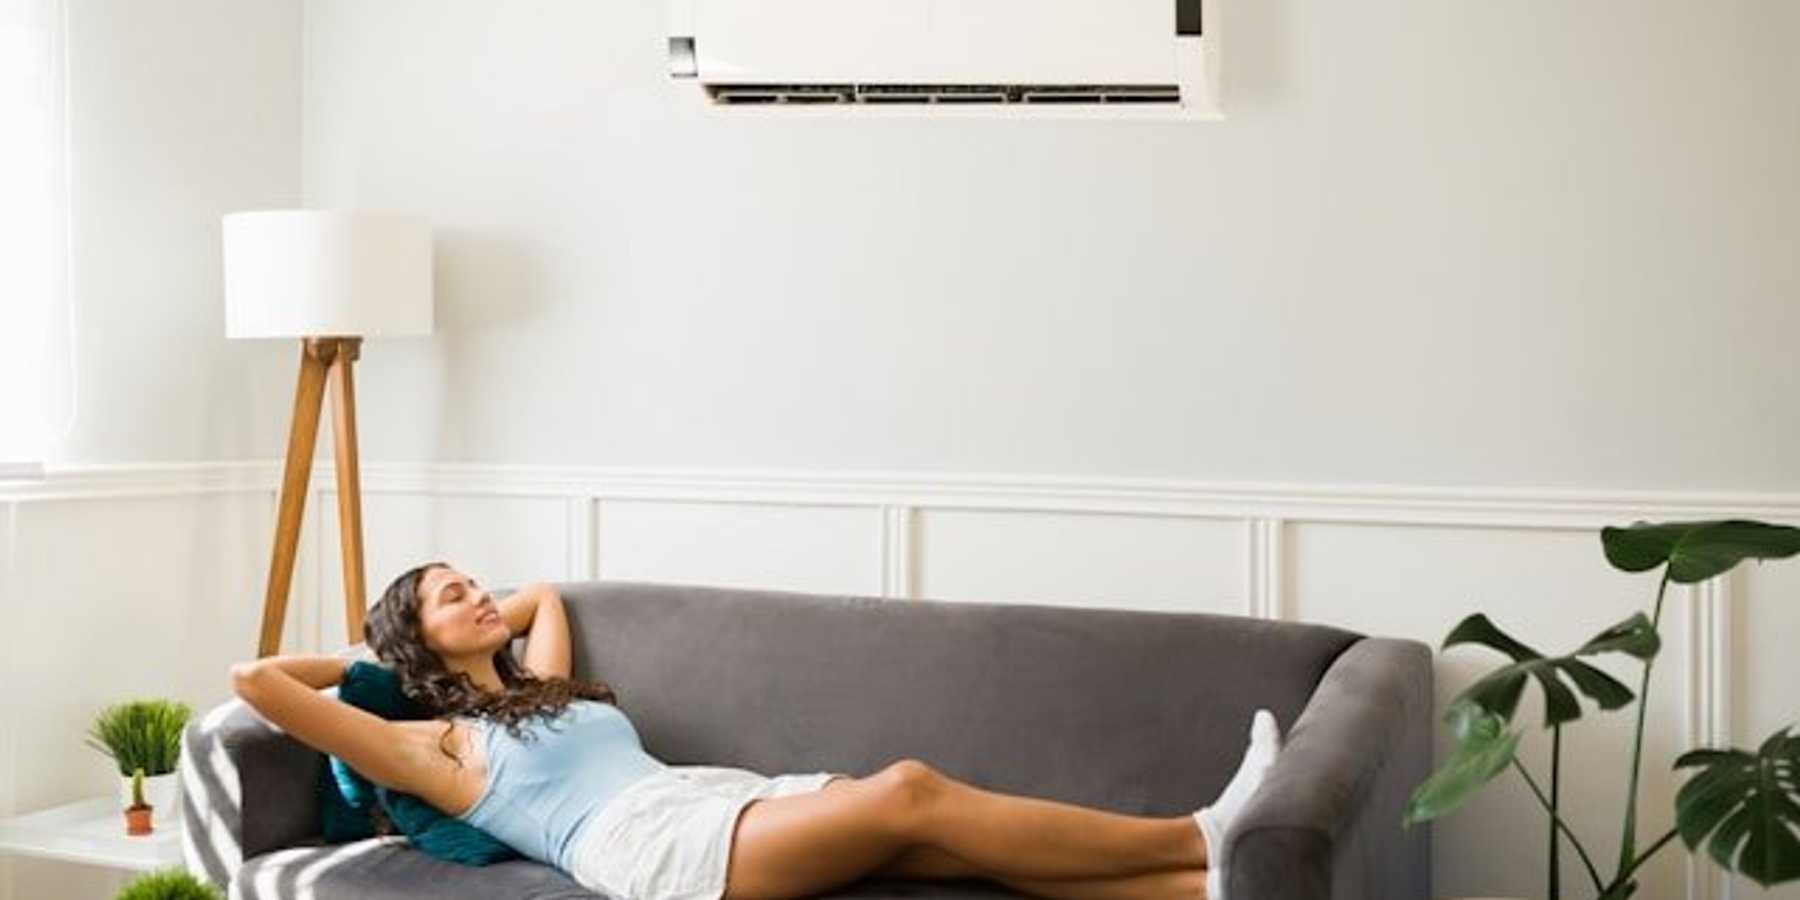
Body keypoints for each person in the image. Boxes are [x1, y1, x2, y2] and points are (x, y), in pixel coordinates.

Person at [230, 562, 1283, 900]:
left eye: (470, 581)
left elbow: (544, 594)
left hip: (704, 797)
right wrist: (380, 669)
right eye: (449, 596)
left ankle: (1197, 888)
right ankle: (1199, 832)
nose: (476, 594)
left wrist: (472, 628)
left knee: (933, 848)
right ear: (414, 641)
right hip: (649, 851)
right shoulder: (434, 750)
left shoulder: (535, 691)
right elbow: (259, 680)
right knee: (909, 791)